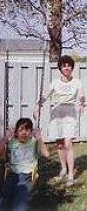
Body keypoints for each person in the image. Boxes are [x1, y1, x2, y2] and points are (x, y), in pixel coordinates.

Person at [34, 55, 86, 187]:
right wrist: (37, 105)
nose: (67, 67)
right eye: (64, 66)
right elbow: (45, 96)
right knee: (59, 144)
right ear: (60, 68)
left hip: (70, 113)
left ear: (72, 67)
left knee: (68, 143)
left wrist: (82, 103)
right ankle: (63, 169)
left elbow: (81, 96)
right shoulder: (55, 83)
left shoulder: (77, 82)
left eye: (69, 65)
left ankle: (70, 175)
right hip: (56, 113)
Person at [0, 118, 49, 211]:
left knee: (20, 205)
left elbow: (46, 154)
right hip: (11, 176)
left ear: (31, 132)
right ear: (16, 132)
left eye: (27, 130)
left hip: (27, 178)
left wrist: (39, 138)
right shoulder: (12, 142)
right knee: (3, 203)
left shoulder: (34, 143)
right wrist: (6, 138)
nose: (24, 132)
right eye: (21, 130)